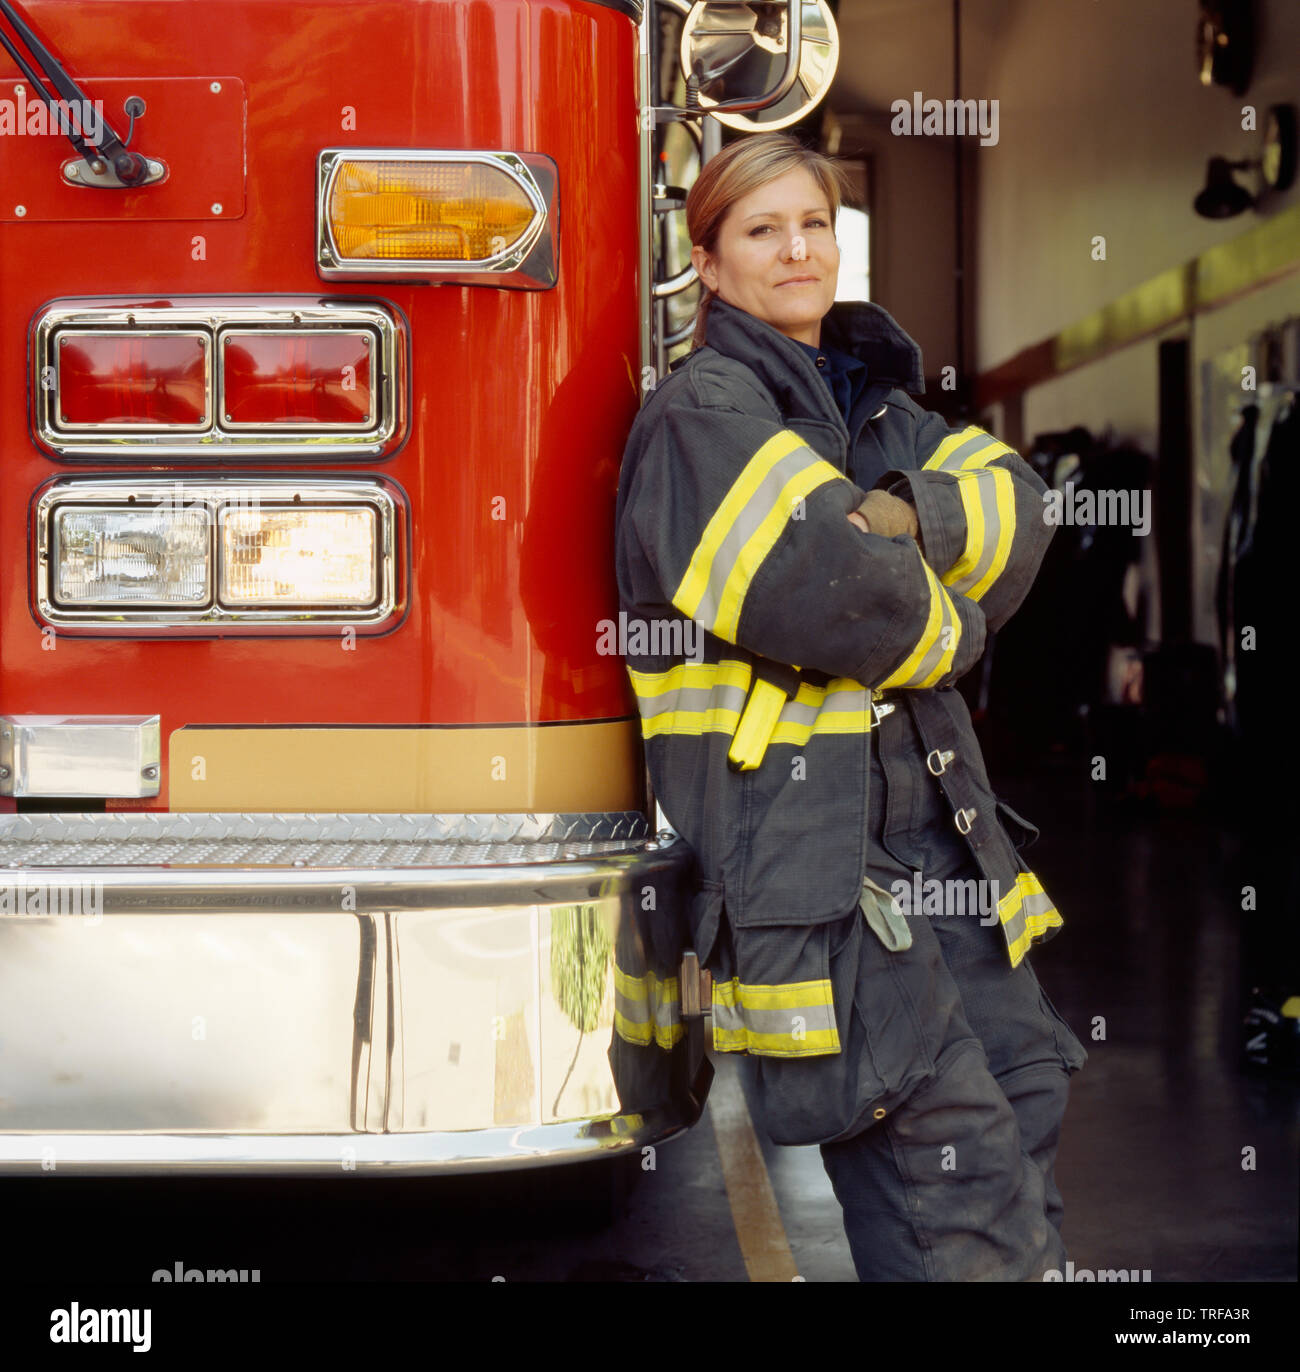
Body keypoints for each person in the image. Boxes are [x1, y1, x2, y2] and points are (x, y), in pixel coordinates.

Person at [613, 131, 1088, 1281]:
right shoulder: (702, 417)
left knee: (1024, 1097)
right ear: (709, 265)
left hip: (942, 834)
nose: (796, 249)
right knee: (950, 1175)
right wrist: (955, 622)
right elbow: (834, 595)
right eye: (761, 231)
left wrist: (891, 515)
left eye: (814, 224)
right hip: (813, 864)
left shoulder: (876, 407)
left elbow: (1019, 510)